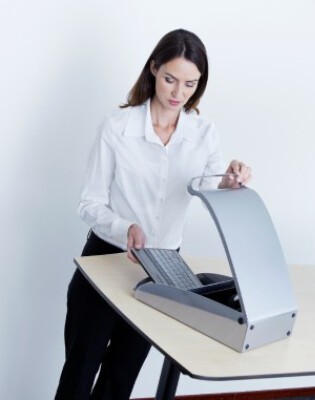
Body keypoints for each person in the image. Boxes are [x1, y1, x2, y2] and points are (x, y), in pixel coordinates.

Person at [55, 29, 251, 400]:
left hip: (163, 270)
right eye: (171, 79)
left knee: (121, 378)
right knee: (79, 375)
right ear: (154, 69)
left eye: (191, 84)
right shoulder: (117, 127)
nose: (179, 93)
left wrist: (232, 180)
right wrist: (125, 227)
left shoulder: (203, 133)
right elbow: (89, 203)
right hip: (106, 260)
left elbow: (213, 186)